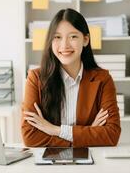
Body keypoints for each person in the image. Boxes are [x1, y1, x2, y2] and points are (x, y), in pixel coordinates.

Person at [21, 8, 121, 147]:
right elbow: (30, 137)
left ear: (85, 40)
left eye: (73, 36)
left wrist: (54, 130)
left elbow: (111, 134)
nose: (64, 45)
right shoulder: (35, 78)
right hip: (50, 165)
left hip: (91, 164)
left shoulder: (103, 79)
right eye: (57, 37)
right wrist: (88, 133)